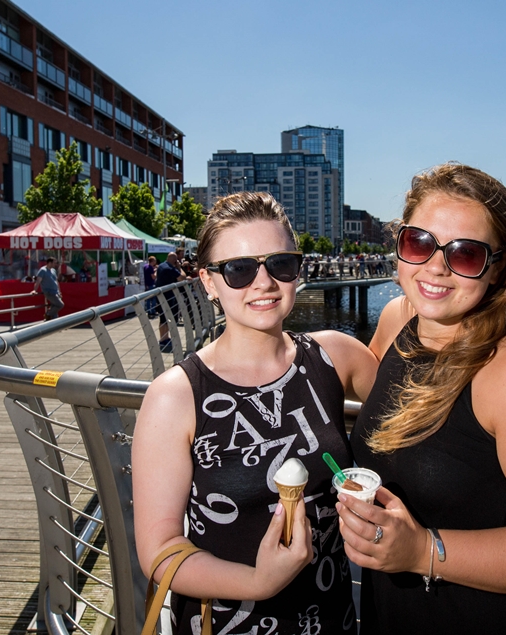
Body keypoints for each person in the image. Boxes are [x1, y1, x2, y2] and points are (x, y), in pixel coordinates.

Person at [336, 163, 506, 634]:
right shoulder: (400, 318)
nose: (435, 266)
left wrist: (422, 550)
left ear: (499, 268)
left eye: (464, 255)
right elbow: (378, 397)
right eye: (419, 242)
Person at [132, 191, 377, 635]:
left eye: (280, 263)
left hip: (333, 619)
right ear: (208, 282)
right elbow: (160, 550)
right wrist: (257, 582)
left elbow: (417, 423)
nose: (263, 283)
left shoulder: (338, 356)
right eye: (239, 269)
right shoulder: (176, 395)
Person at [154, 252, 186, 350]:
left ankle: (164, 338)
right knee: (165, 318)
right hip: (166, 296)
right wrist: (179, 267)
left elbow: (155, 276)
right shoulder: (169, 268)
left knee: (163, 318)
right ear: (174, 260)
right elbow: (182, 277)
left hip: (161, 295)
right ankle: (163, 339)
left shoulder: (162, 266)